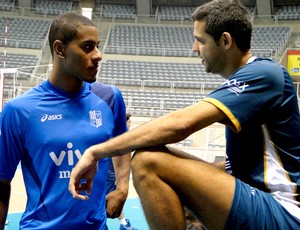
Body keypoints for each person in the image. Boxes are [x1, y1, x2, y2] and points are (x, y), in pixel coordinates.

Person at [69, 0, 300, 229]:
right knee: (157, 153)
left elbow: (179, 126)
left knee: (148, 161)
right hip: (261, 201)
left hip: (284, 210)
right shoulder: (249, 80)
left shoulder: (264, 73)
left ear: (226, 41)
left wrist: (96, 152)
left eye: (200, 40)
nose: (194, 48)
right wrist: (186, 183)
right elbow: (233, 171)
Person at [0, 12, 131, 230]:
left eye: (98, 46)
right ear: (60, 49)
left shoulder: (109, 98)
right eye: (88, 47)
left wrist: (123, 187)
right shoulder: (19, 110)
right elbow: (1, 182)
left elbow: (123, 143)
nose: (98, 55)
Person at [106, 113, 137, 230]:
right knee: (105, 202)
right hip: (109, 177)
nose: (130, 123)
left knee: (116, 201)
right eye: (129, 121)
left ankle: (124, 223)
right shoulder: (114, 136)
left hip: (113, 176)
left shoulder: (124, 136)